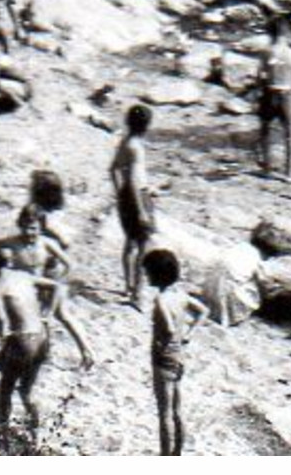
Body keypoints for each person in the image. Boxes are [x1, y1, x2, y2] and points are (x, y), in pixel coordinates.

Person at [0, 240, 60, 435]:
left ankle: (2, 433)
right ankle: (35, 433)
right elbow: (56, 286)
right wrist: (48, 315)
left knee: (5, 390)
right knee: (27, 391)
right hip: (42, 337)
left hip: (22, 341)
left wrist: (3, 342)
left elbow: (0, 317)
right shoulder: (24, 276)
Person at [0, 206, 95, 369]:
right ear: (20, 225)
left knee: (62, 315)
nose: (30, 232)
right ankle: (35, 353)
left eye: (34, 229)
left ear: (41, 228)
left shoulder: (46, 243)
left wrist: (60, 281)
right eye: (26, 228)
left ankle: (87, 351)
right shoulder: (12, 242)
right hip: (26, 287)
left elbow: (70, 264)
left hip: (47, 284)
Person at [142, 249, 210, 456]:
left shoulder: (161, 300)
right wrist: (189, 333)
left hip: (164, 359)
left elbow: (169, 329)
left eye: (147, 272)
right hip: (180, 356)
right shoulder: (181, 295)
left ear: (156, 274)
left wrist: (161, 345)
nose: (146, 276)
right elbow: (203, 311)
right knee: (177, 410)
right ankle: (178, 452)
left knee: (164, 412)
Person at [111, 105, 157, 306]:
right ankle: (137, 294)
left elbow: (113, 170)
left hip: (126, 197)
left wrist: (120, 194)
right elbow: (135, 181)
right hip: (137, 197)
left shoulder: (125, 142)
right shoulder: (136, 147)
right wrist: (140, 209)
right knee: (144, 245)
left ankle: (128, 287)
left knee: (130, 243)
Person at [259, 18, 291, 179]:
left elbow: (261, 75)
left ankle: (266, 168)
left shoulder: (267, 51)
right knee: (290, 133)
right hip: (288, 93)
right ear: (286, 34)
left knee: (266, 130)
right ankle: (290, 173)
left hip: (270, 92)